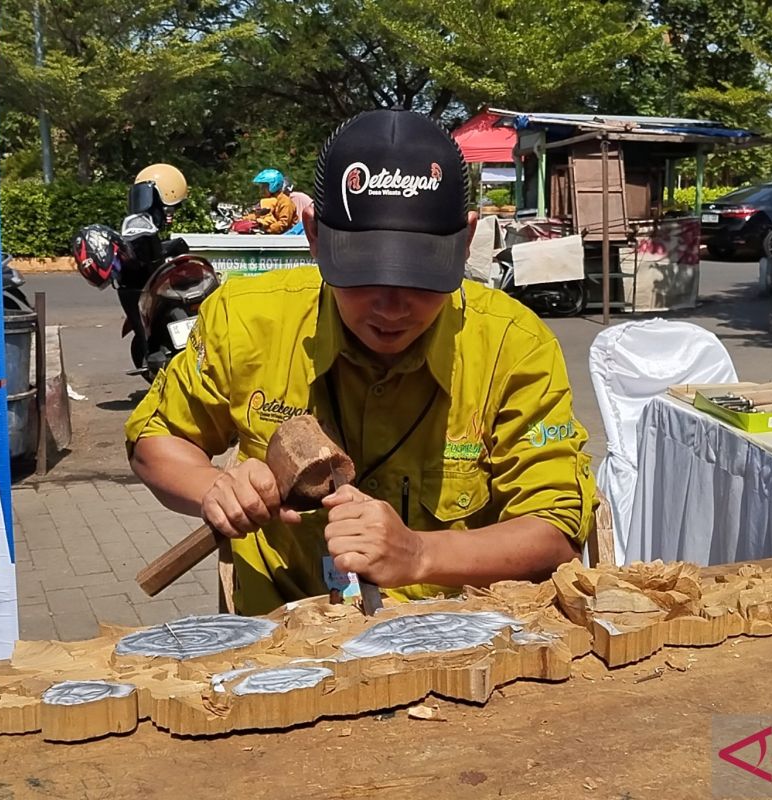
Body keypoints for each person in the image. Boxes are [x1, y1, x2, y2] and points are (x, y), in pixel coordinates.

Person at [126, 109, 597, 616]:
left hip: (453, 641)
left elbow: (555, 531)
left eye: (421, 277)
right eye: (362, 274)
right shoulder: (246, 320)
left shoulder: (513, 345)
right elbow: (155, 441)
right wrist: (215, 489)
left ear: (464, 243)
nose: (392, 308)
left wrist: (421, 554)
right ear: (313, 234)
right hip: (282, 643)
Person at [240, 168, 297, 234]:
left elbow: (283, 223)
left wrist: (266, 230)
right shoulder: (268, 201)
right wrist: (244, 219)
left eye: (264, 186)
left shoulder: (285, 202)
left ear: (274, 185)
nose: (261, 189)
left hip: (287, 238)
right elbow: (258, 214)